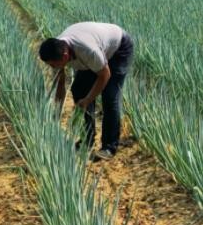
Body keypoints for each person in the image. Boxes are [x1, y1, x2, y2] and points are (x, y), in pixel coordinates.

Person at [38, 22, 135, 161]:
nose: (53, 67)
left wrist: (88, 99)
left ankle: (109, 147)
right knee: (78, 88)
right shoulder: (57, 50)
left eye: (53, 64)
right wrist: (57, 113)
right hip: (96, 50)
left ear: (65, 56)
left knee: (109, 96)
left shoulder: (87, 50)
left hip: (118, 49)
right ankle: (87, 139)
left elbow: (105, 75)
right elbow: (60, 85)